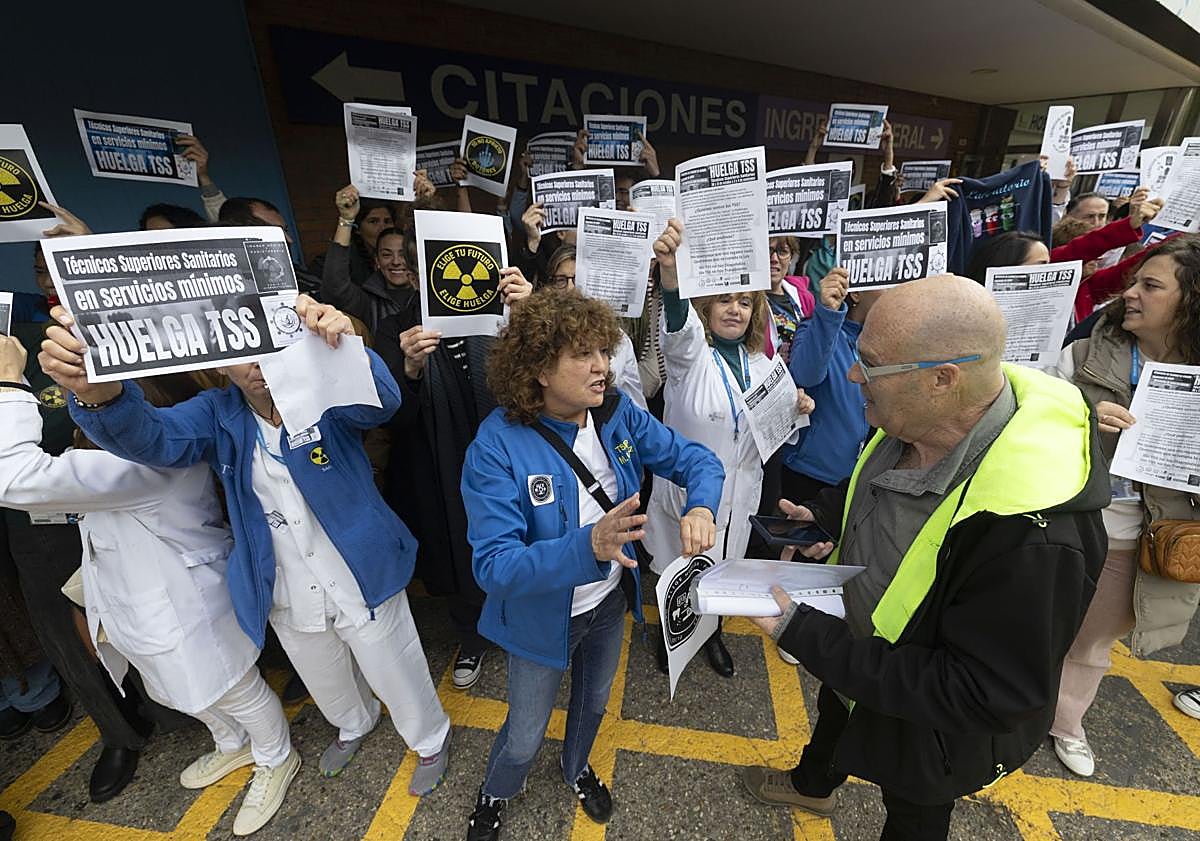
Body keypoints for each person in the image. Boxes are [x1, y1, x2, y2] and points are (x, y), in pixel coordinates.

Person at [741, 274, 1108, 841]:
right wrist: (831, 515)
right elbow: (884, 487)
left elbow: (980, 692)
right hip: (860, 671)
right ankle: (813, 786)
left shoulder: (1033, 537)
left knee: (915, 810)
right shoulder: (913, 420)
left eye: (871, 364)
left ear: (943, 380)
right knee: (835, 722)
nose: (853, 375)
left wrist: (806, 635)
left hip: (930, 731)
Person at [39, 295, 453, 796]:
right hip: (284, 582)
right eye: (242, 350)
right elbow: (153, 440)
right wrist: (101, 398)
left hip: (360, 568)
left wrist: (348, 350)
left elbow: (381, 403)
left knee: (395, 664)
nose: (259, 363)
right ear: (218, 361)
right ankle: (354, 723)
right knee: (323, 674)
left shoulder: (323, 387)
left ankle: (430, 737)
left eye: (269, 344)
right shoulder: (218, 413)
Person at [0, 342, 296, 836]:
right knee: (190, 693)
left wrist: (10, 381)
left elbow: (13, 479)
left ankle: (275, 755)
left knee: (233, 689)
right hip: (145, 606)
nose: (85, 420)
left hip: (185, 606)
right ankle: (232, 744)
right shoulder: (119, 449)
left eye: (96, 409)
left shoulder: (141, 464)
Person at [460, 287, 723, 841]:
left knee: (595, 701)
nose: (602, 366)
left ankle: (575, 767)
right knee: (526, 731)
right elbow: (495, 566)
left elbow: (694, 458)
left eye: (603, 351)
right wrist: (588, 547)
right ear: (537, 369)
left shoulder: (616, 414)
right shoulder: (495, 447)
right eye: (582, 355)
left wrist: (700, 502)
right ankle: (498, 790)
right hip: (539, 619)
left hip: (606, 603)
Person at [1048, 235, 1200, 777]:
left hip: (1141, 537)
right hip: (1061, 521)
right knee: (1032, 621)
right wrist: (1085, 422)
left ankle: (1066, 723)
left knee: (1092, 640)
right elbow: (1028, 420)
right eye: (1135, 282)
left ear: (1190, 302)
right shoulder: (1085, 353)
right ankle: (1011, 708)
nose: (1130, 293)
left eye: (1150, 286)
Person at [645, 219, 815, 677]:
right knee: (676, 571)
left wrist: (799, 405)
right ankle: (673, 635)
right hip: (688, 497)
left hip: (740, 497)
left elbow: (779, 428)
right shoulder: (691, 356)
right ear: (708, 306)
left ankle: (712, 634)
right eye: (724, 300)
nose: (735, 310)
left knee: (721, 571)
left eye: (744, 301)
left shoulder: (765, 365)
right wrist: (672, 275)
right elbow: (677, 327)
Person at [374, 258, 533, 693]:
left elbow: (548, 379)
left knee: (522, 539)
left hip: (513, 457)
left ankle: (526, 626)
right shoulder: (397, 329)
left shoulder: (506, 311)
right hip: (441, 466)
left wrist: (531, 313)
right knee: (459, 550)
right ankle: (472, 637)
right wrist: (408, 370)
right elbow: (391, 417)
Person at [536, 244, 647, 409]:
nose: (570, 288)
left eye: (603, 351)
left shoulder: (619, 338)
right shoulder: (538, 336)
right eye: (561, 280)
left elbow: (636, 407)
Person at [321, 185, 419, 337]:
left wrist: (425, 201)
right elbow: (335, 286)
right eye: (386, 255)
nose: (396, 261)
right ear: (377, 261)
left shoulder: (429, 294)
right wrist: (346, 219)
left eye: (403, 254)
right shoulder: (367, 301)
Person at [311, 194, 397, 287]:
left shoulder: (403, 260)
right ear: (358, 228)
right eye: (373, 221)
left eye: (387, 221)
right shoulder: (332, 264)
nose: (382, 228)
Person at [763, 236, 815, 363]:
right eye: (767, 251)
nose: (774, 259)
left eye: (782, 252)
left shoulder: (805, 297)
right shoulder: (745, 302)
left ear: (791, 257)